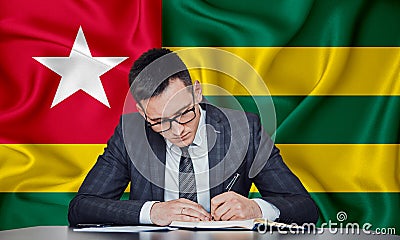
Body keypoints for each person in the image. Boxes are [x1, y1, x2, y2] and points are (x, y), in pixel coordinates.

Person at [68, 48, 318, 226]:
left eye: (184, 113)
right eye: (159, 122)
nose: (177, 131)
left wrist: (257, 208)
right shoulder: (131, 133)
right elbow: (82, 207)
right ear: (142, 112)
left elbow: (304, 206)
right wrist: (153, 212)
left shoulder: (245, 129)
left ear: (196, 92)